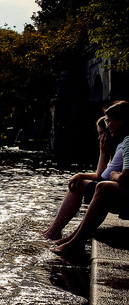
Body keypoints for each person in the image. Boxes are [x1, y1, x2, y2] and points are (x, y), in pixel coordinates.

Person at [54, 101, 129, 256]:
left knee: (102, 188)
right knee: (91, 184)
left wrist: (115, 173)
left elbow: (107, 177)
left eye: (109, 121)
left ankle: (72, 240)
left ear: (122, 120)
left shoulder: (126, 142)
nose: (107, 126)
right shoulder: (123, 143)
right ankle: (69, 236)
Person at [43, 116, 122, 240]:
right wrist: (80, 175)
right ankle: (54, 230)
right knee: (79, 181)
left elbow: (101, 177)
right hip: (116, 192)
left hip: (118, 198)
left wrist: (103, 152)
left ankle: (55, 232)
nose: (99, 138)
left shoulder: (121, 148)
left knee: (77, 186)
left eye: (101, 133)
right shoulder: (119, 147)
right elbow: (102, 175)